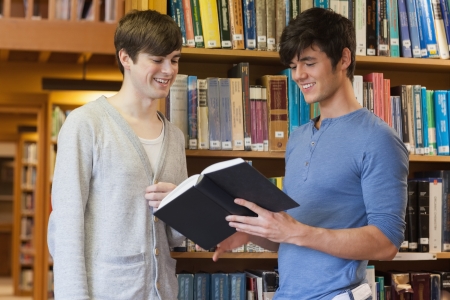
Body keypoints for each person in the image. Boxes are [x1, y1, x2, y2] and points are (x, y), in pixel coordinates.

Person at [213, 8, 409, 300]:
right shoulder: (298, 137)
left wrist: (295, 232)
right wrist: (250, 233)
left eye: (308, 63)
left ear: (344, 59)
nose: (298, 75)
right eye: (293, 66)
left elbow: (386, 243)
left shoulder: (378, 139)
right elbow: (291, 236)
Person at [47, 9, 187, 299]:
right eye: (157, 59)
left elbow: (176, 238)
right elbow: (67, 227)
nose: (169, 70)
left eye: (174, 60)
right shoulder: (86, 124)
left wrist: (182, 202)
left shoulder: (175, 138)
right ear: (126, 58)